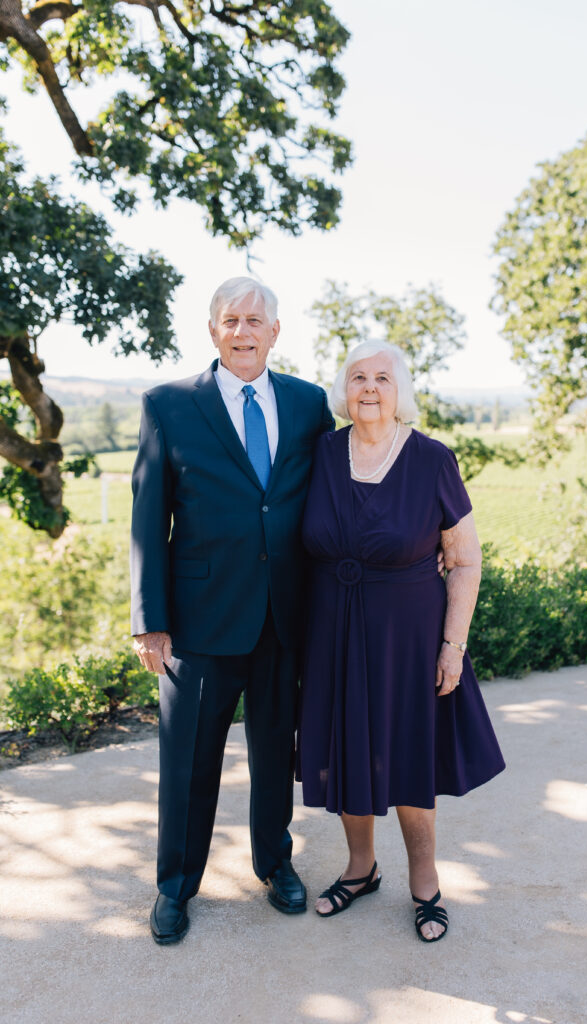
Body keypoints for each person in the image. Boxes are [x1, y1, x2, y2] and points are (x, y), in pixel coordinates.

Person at [130, 276, 334, 944]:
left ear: (276, 330)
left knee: (276, 751)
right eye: (230, 320)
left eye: (254, 320)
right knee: (189, 762)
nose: (242, 331)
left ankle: (274, 864)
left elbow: (332, 499)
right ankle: (176, 886)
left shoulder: (308, 405)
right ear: (212, 330)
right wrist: (149, 620)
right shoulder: (168, 405)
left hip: (284, 616)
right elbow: (146, 519)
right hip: (197, 620)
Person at [296, 340, 505, 942]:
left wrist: (452, 645)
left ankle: (425, 881)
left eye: (381, 378)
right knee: (347, 753)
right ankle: (361, 870)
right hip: (332, 632)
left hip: (409, 639)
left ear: (399, 391)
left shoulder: (432, 459)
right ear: (344, 390)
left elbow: (464, 561)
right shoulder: (321, 454)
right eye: (357, 377)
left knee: (411, 758)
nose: (368, 388)